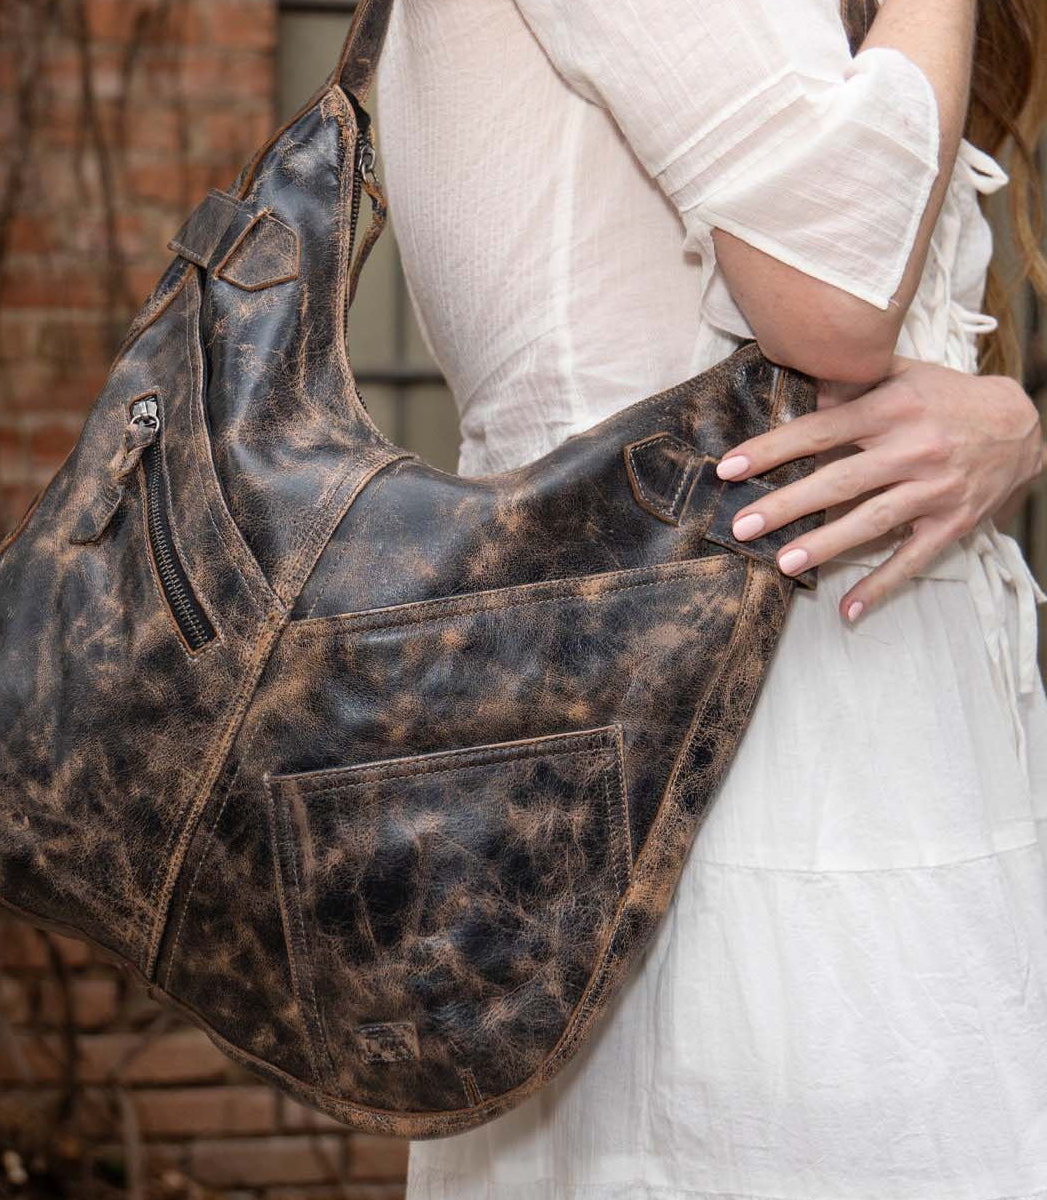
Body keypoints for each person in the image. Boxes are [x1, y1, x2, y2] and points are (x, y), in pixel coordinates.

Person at [373, 0, 1047, 1195]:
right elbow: (832, 296)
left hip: (848, 750)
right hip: (734, 775)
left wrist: (1004, 427)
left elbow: (874, 387)